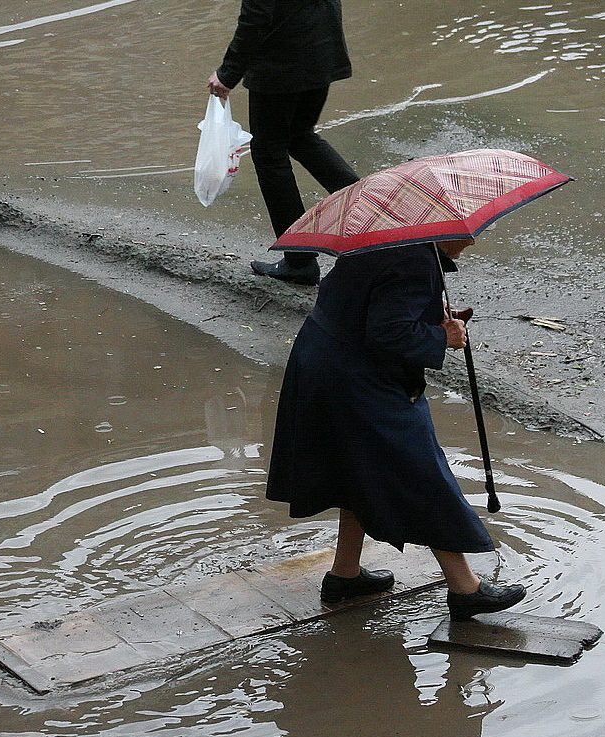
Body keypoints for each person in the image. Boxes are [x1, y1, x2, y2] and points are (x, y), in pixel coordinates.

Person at [265, 237, 526, 617]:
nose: (472, 240)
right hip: (358, 379)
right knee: (422, 472)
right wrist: (442, 336)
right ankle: (466, 589)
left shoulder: (380, 245)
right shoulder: (414, 262)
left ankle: (345, 574)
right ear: (441, 225)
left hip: (324, 363)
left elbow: (371, 308)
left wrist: (428, 319)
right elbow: (388, 332)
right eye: (467, 232)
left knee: (356, 470)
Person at [208, 0, 360, 287]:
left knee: (269, 154)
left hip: (283, 62)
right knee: (300, 137)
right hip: (321, 48)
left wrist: (228, 73)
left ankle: (299, 259)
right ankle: (377, 215)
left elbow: (256, 16)